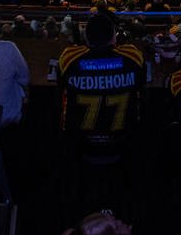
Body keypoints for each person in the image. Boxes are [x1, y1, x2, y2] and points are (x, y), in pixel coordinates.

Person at [58, 10, 147, 165]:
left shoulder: (69, 58)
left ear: (86, 37)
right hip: (121, 144)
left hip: (81, 145)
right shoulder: (132, 56)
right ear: (114, 37)